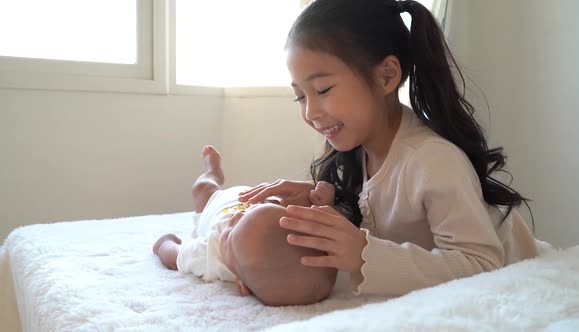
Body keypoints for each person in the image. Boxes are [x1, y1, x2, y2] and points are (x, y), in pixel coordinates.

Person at [238, 0, 539, 296]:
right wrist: (323, 205)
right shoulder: (359, 150)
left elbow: (482, 265)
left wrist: (364, 254)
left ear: (386, 76)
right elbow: (388, 228)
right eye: (300, 97)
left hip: (523, 286)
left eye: (322, 90)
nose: (310, 112)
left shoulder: (433, 161)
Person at [152, 145, 338, 306]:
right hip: (254, 195)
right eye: (245, 217)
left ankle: (212, 173)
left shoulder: (213, 257)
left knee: (202, 188)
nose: (237, 216)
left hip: (214, 205)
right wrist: (323, 203)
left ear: (242, 284)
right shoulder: (281, 229)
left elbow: (176, 257)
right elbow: (315, 225)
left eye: (231, 233)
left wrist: (164, 244)